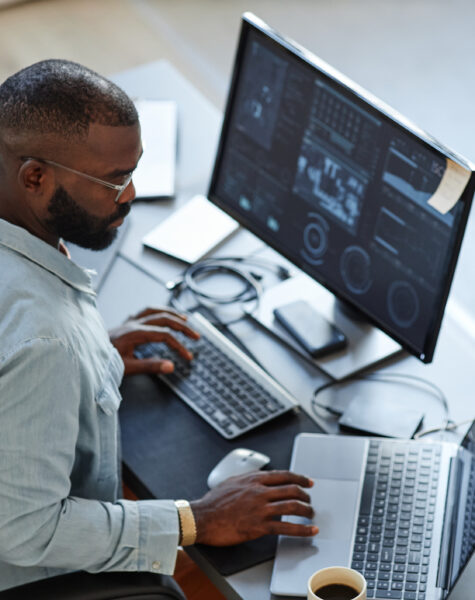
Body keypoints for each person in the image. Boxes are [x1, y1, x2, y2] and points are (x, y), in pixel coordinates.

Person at [0, 59, 318, 592]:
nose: (130, 195)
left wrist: (92, 357)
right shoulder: (44, 342)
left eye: (134, 170)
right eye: (113, 180)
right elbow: (24, 529)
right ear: (35, 177)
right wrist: (196, 520)